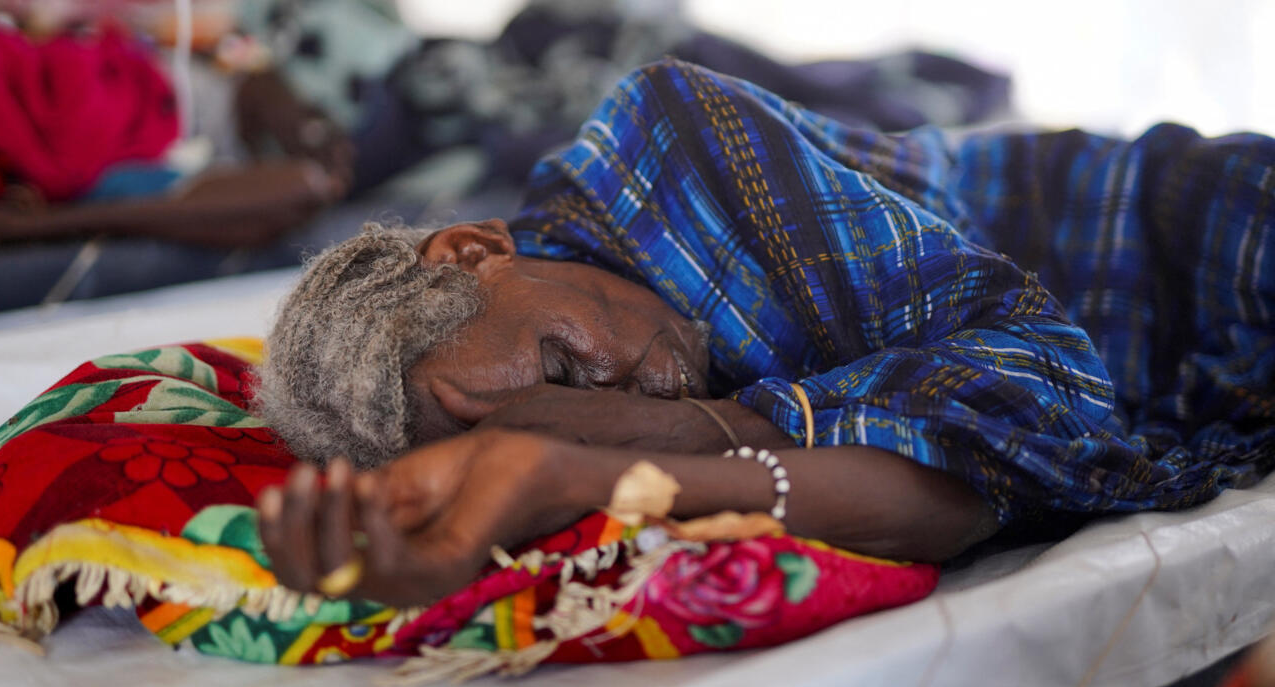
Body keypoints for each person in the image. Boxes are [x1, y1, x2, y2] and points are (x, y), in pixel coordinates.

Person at [254, 60, 1274, 608]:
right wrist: (569, 474)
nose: (616, 409)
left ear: (473, 248)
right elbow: (969, 482)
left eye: (566, 365)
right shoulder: (594, 437)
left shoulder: (667, 138)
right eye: (563, 424)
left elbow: (1040, 388)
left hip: (1207, 235)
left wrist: (704, 433)